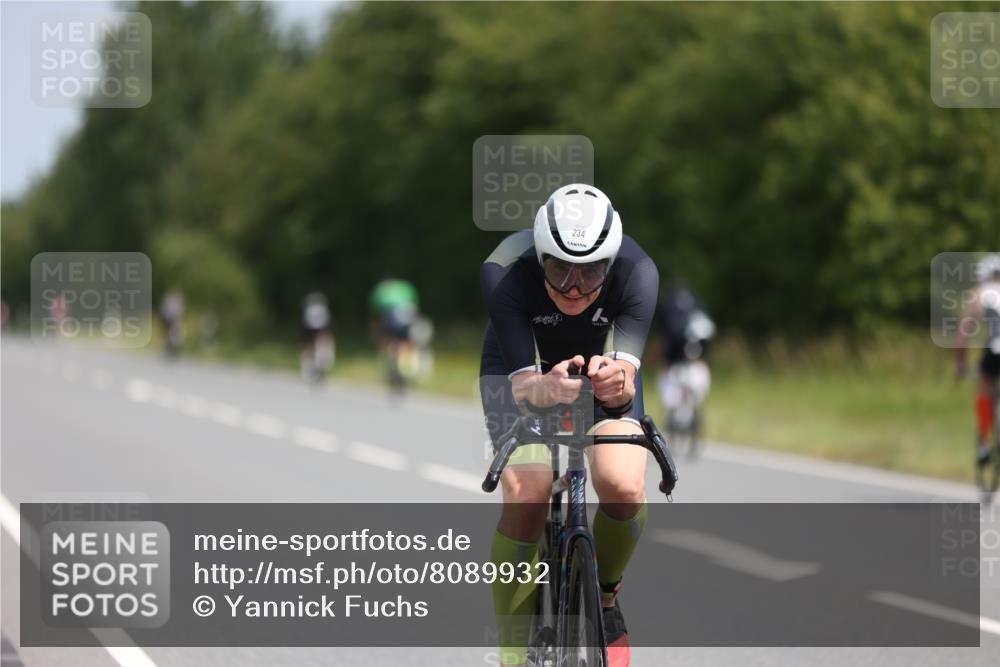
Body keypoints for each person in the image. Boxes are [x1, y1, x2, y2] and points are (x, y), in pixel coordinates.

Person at [480, 184, 658, 667]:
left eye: (591, 271)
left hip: (601, 369)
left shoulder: (638, 272)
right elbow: (524, 389)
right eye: (559, 269)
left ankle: (604, 596)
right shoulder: (504, 273)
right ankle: (514, 655)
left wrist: (615, 386)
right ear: (540, 258)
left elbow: (624, 383)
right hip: (520, 369)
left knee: (622, 484)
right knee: (529, 492)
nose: (574, 287)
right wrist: (543, 387)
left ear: (612, 259)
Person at [656, 283, 715, 455]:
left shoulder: (671, 314)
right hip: (694, 366)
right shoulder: (699, 312)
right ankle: (690, 430)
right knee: (691, 402)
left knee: (674, 401)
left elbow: (666, 342)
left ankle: (679, 431)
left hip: (677, 365)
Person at [955, 253, 1000, 468]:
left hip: (995, 349)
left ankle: (984, 443)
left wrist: (960, 363)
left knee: (984, 387)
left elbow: (963, 333)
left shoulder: (978, 294)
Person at [369, 275, 420, 391]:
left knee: (390, 342)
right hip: (410, 317)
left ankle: (394, 367)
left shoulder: (381, 291)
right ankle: (409, 368)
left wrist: (377, 335)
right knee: (409, 343)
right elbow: (415, 307)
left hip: (392, 318)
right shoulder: (406, 287)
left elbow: (376, 316)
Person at [300, 292, 335, 383]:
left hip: (312, 328)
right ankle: (313, 365)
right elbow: (328, 325)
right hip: (317, 328)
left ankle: (312, 365)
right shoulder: (321, 309)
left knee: (311, 346)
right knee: (319, 344)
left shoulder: (311, 309)